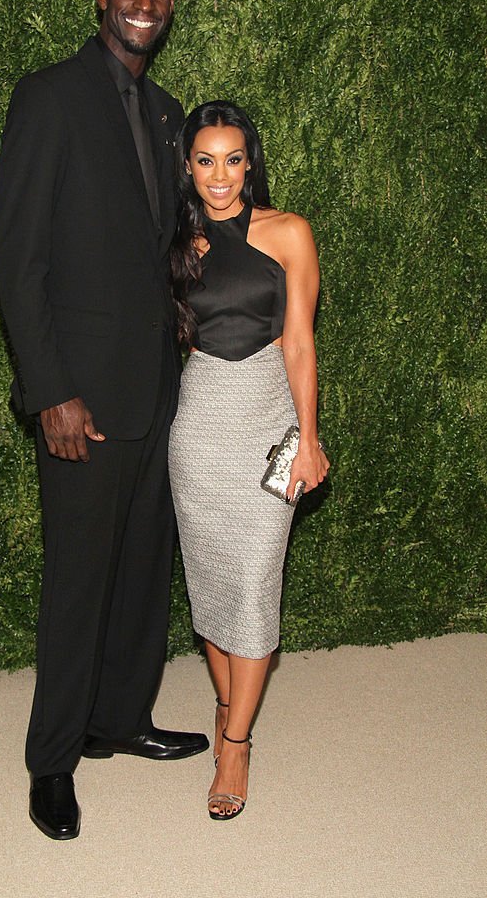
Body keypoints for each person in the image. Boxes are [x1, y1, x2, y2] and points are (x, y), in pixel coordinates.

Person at [0, 0, 208, 842]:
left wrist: (183, 288)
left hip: (158, 385)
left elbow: (145, 243)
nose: (144, 1)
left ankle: (118, 718)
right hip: (79, 395)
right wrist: (50, 389)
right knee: (79, 581)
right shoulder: (48, 97)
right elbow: (18, 258)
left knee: (142, 569)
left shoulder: (166, 113)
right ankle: (52, 761)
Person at [168, 101, 330, 820]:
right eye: (205, 160)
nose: (220, 175)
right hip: (199, 418)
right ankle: (226, 703)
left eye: (233, 159)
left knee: (256, 580)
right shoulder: (177, 241)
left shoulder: (288, 232)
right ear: (187, 167)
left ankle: (234, 744)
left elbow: (299, 343)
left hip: (267, 414)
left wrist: (311, 436)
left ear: (251, 161)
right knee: (211, 585)